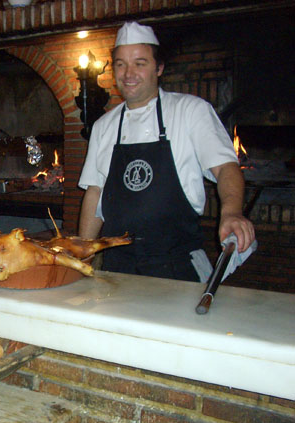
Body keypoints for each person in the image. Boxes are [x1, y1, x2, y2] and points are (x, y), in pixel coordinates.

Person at [78, 21, 255, 282]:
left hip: (176, 265)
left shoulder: (191, 111)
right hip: (117, 268)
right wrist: (83, 251)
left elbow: (226, 167)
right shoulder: (104, 126)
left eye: (140, 63)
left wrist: (231, 212)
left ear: (159, 68)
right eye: (120, 64)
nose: (129, 73)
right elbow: (95, 193)